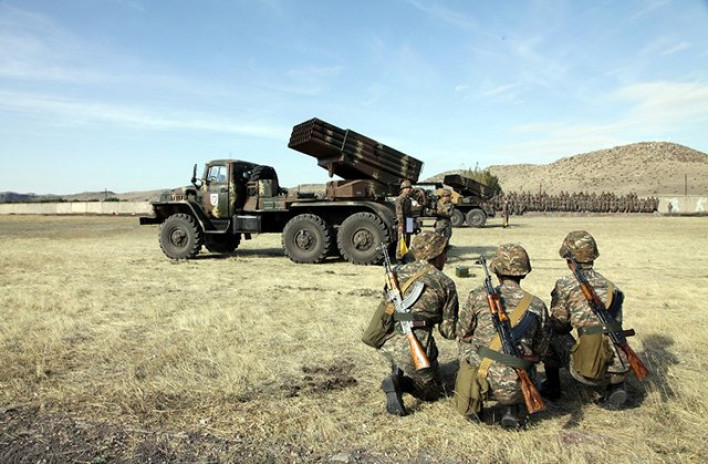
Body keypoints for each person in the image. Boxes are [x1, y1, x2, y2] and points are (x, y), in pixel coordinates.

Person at [455, 244, 548, 428]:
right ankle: (511, 409)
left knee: (465, 344)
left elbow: (462, 331)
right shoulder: (537, 305)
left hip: (483, 378)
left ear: (496, 271)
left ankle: (473, 402)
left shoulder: (477, 296)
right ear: (524, 272)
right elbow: (541, 349)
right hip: (517, 384)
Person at [369, 231, 459, 416]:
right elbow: (448, 332)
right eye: (444, 252)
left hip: (387, 340)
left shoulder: (396, 272)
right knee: (435, 390)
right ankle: (400, 383)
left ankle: (397, 370)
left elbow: (387, 303)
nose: (446, 257)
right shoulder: (445, 283)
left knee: (406, 351)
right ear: (436, 255)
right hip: (415, 343)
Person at [541, 230, 629, 409]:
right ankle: (616, 385)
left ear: (569, 260)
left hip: (589, 369)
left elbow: (559, 325)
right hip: (620, 365)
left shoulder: (565, 285)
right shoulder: (613, 288)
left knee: (549, 331)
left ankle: (552, 386)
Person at [395, 179, 414, 261]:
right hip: (403, 222)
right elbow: (399, 213)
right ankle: (399, 258)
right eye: (406, 188)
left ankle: (405, 256)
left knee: (407, 239)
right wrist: (401, 224)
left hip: (409, 221)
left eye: (409, 188)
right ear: (402, 189)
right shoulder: (400, 199)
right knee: (401, 240)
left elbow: (410, 211)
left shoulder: (409, 199)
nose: (408, 190)